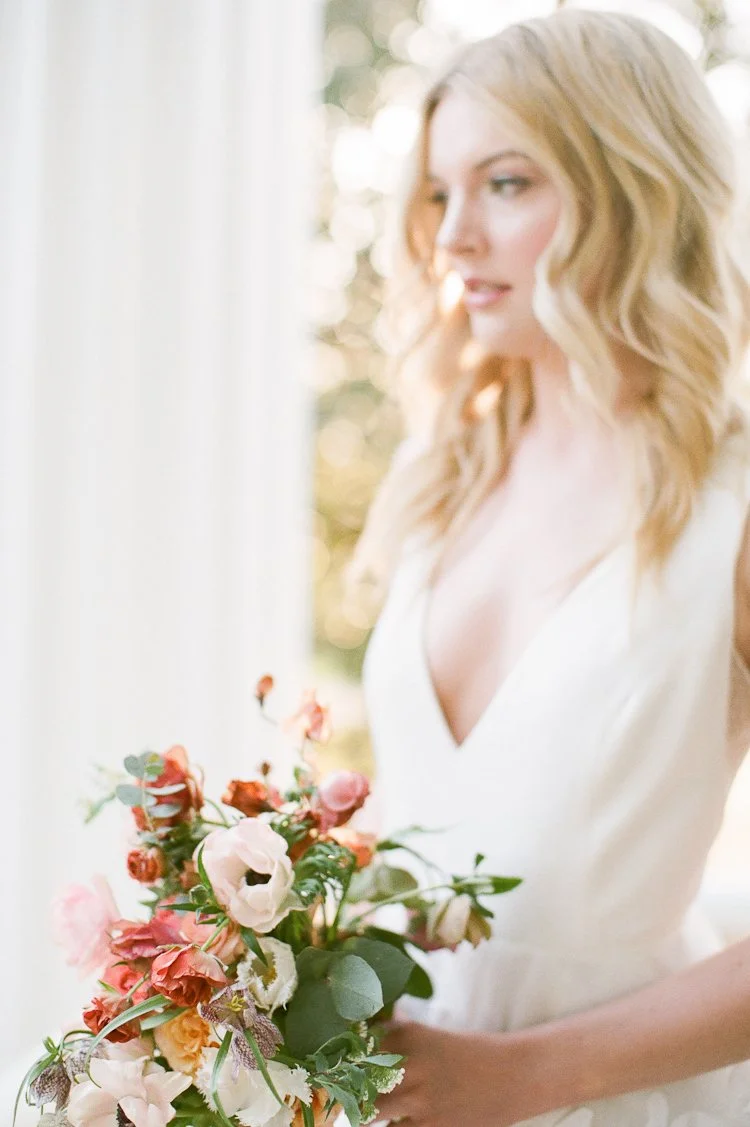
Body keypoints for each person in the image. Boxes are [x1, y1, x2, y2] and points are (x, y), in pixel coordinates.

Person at [344, 9, 750, 1125]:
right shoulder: (442, 476)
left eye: (507, 184)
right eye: (439, 193)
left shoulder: (732, 507)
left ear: (633, 190)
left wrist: (523, 1076)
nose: (454, 235)